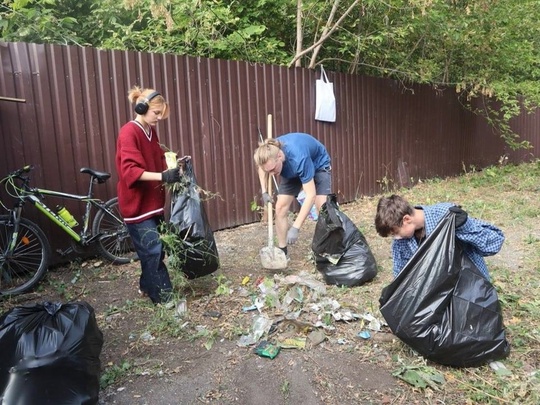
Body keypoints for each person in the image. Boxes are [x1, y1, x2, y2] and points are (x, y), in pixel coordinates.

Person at [115, 86, 183, 304]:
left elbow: (157, 159)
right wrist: (163, 177)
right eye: (156, 113)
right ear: (142, 108)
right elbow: (129, 172)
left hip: (152, 204)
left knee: (156, 249)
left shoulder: (151, 131)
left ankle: (145, 286)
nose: (159, 118)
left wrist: (175, 165)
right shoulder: (129, 132)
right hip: (137, 206)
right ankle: (163, 298)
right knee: (153, 249)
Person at [374, 194, 504, 280]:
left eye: (395, 232)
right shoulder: (402, 242)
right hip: (437, 298)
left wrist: (465, 226)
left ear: (406, 219)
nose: (396, 237)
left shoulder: (446, 215)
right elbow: (400, 274)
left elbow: (494, 243)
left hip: (470, 288)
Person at [253, 132, 332, 258]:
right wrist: (264, 191)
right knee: (280, 208)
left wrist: (296, 227)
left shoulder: (299, 157)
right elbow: (262, 168)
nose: (272, 174)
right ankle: (282, 252)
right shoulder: (268, 154)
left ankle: (327, 250)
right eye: (269, 171)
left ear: (279, 156)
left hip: (318, 165)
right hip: (289, 169)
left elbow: (310, 195)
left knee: (322, 208)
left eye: (273, 169)